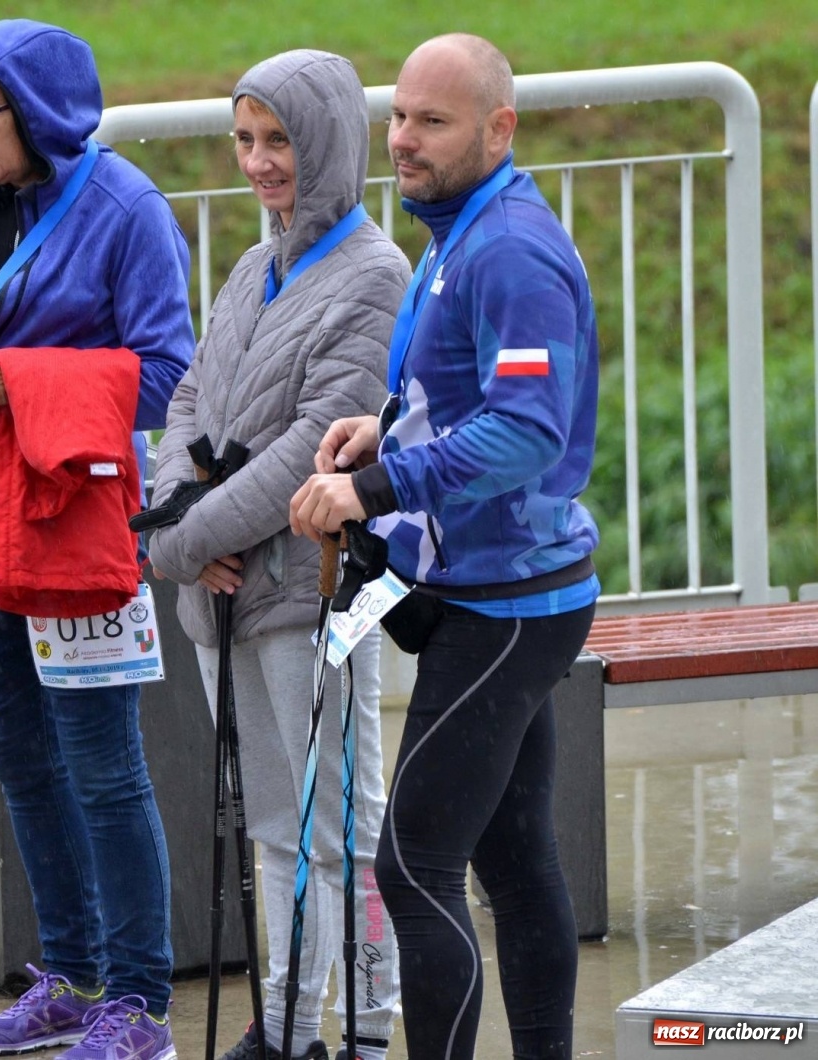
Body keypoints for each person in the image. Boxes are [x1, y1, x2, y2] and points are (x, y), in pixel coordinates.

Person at [289, 33, 600, 1060]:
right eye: (398, 116)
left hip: (507, 601)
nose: (404, 140)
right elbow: (467, 398)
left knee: (413, 863)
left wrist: (371, 485)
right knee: (513, 862)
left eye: (433, 120)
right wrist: (388, 429)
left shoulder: (509, 248)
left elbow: (526, 430)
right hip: (499, 589)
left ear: (497, 129)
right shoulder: (454, 229)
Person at [0, 18, 195, 1060]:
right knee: (16, 752)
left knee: (101, 761)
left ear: (46, 112)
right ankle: (69, 980)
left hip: (70, 519)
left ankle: (141, 1002)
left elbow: (166, 371)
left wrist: (15, 381)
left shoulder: (126, 208)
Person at [145, 50, 408, 1060]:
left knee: (340, 823)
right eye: (245, 140)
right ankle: (290, 1025)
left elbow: (311, 443)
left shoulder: (375, 277)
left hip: (314, 590)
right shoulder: (254, 265)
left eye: (279, 141)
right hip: (222, 591)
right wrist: (176, 518)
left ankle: (366, 1028)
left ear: (328, 141)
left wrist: (179, 538)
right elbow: (187, 402)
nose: (258, 162)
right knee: (271, 820)